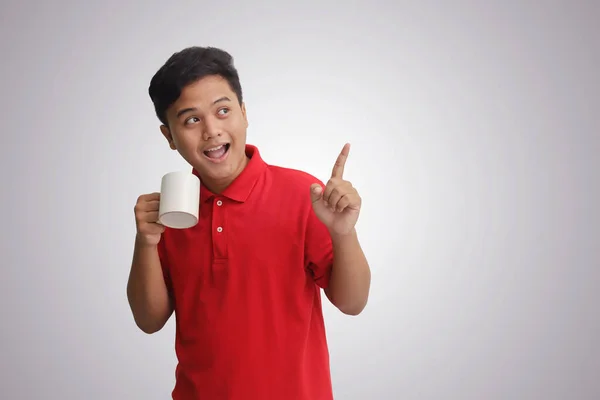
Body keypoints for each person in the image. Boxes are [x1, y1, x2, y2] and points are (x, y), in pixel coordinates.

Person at [126, 46, 371, 400]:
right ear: (169, 136)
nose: (212, 130)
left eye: (223, 111)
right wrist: (146, 242)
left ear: (243, 113)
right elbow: (149, 321)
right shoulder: (171, 211)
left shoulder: (304, 193)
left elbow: (353, 303)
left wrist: (343, 233)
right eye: (191, 119)